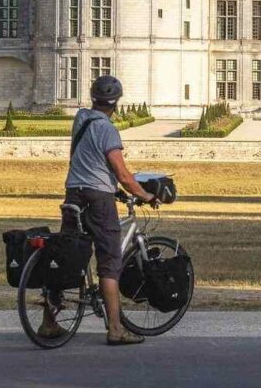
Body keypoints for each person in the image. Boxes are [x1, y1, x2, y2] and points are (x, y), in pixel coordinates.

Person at [39, 75, 157, 346]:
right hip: (98, 199)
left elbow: (85, 157)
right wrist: (145, 194)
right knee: (109, 263)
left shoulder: (81, 118)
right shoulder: (107, 129)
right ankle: (115, 329)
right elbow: (124, 175)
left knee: (66, 257)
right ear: (116, 103)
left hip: (73, 193)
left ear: (94, 99)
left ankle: (48, 322)